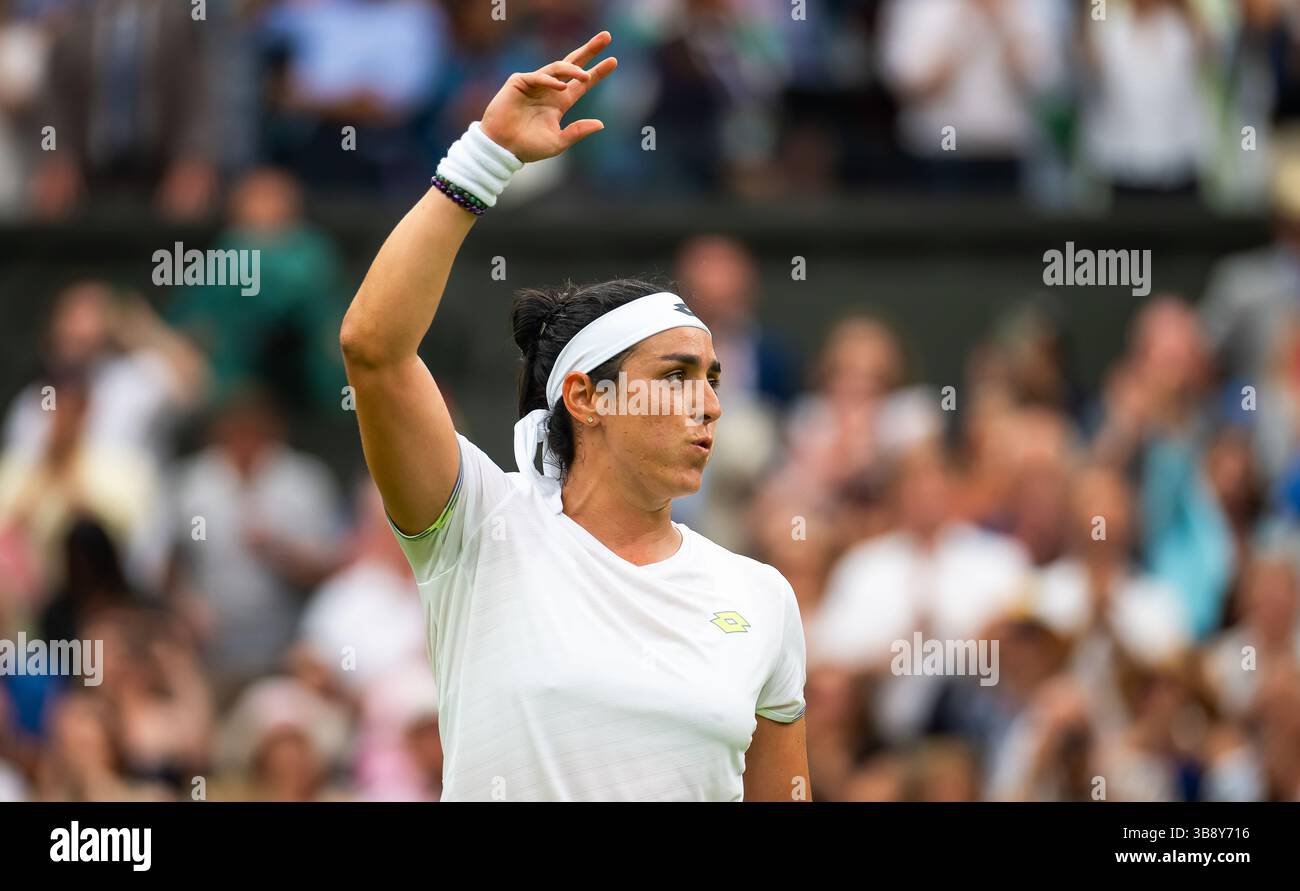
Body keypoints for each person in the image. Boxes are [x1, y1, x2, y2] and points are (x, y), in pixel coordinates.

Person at [339, 31, 809, 802]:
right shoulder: (479, 529)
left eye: (714, 378)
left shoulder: (761, 598)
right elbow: (374, 349)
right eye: (677, 375)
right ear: (588, 397)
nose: (709, 402)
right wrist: (483, 157)